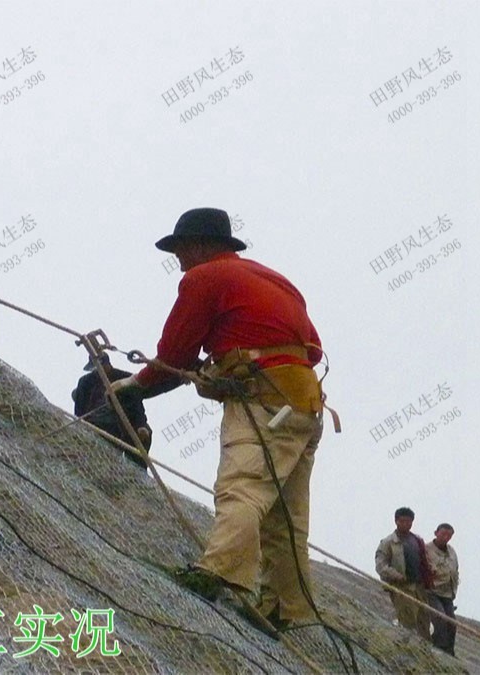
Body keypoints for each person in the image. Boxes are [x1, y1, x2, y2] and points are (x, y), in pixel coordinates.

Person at [111, 207, 326, 630]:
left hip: (266, 402)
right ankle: (286, 606)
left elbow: (175, 355)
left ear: (201, 247)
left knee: (242, 488)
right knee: (285, 514)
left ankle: (220, 571)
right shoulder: (274, 280)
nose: (179, 261)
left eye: (181, 250)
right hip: (305, 404)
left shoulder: (205, 278)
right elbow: (307, 348)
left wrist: (136, 384)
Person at [71, 353, 158, 469]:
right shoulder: (86, 382)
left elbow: (136, 403)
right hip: (97, 423)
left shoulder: (124, 379)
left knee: (144, 435)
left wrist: (140, 424)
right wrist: (80, 427)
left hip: (125, 422)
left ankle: (138, 471)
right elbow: (79, 411)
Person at [374, 507, 433, 639]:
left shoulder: (417, 540)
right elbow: (381, 565)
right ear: (396, 521)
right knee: (408, 622)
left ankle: (425, 652)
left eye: (409, 521)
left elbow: (425, 561)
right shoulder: (388, 542)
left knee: (424, 622)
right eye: (403, 521)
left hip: (419, 588)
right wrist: (397, 576)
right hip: (402, 588)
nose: (406, 524)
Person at [425, 522, 459, 654]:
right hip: (432, 591)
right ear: (436, 533)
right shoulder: (426, 549)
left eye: (449, 535)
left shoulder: (452, 552)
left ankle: (450, 651)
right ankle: (439, 647)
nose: (446, 537)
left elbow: (455, 570)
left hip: (447, 593)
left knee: (452, 623)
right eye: (443, 534)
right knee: (440, 618)